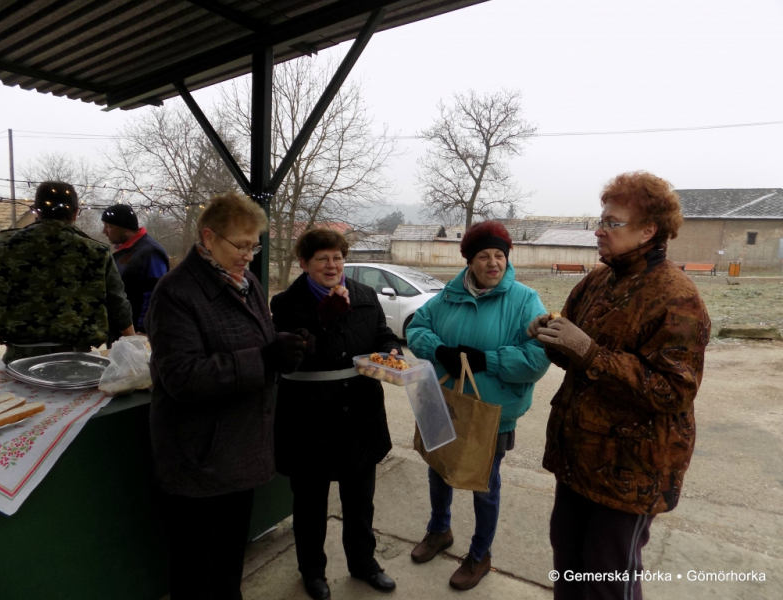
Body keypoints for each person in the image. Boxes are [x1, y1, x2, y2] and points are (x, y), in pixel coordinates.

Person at [528, 171, 710, 600]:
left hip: (631, 471)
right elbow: (575, 355)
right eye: (601, 219)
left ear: (649, 230)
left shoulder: (677, 296)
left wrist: (591, 353)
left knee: (608, 576)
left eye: (612, 223)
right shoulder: (597, 281)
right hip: (579, 457)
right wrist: (552, 336)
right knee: (568, 562)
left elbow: (673, 391)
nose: (599, 230)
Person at [144, 191, 308, 600]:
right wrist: (263, 358)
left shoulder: (246, 282)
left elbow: (258, 342)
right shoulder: (176, 293)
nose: (249, 255)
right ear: (209, 237)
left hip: (242, 448)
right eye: (241, 245)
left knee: (231, 558)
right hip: (201, 456)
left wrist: (283, 348)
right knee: (196, 566)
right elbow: (181, 376)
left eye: (255, 246)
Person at [406, 220, 551, 591]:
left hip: (491, 412)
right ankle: (440, 529)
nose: (493, 263)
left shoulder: (524, 300)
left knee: (484, 484)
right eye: (483, 256)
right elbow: (416, 329)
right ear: (469, 261)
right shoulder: (446, 296)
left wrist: (487, 361)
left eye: (499, 255)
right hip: (441, 402)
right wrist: (438, 350)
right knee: (439, 469)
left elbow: (537, 358)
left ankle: (480, 553)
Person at [271, 228, 401, 600]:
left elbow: (382, 335)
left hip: (360, 415)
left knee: (360, 502)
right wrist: (324, 316)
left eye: (338, 257)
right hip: (309, 419)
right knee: (310, 505)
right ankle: (313, 572)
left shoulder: (364, 295)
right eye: (322, 259)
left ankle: (364, 564)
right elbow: (293, 354)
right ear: (305, 263)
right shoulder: (285, 303)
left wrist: (391, 352)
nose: (332, 265)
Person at [0, 181, 134, 362]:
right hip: (76, 360)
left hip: (18, 359)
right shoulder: (96, 252)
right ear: (76, 213)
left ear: (37, 210)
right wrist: (133, 344)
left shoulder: (0, 247)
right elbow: (118, 306)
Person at [101, 203, 169, 335]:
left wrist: (143, 329)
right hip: (122, 332)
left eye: (109, 226)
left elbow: (156, 294)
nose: (104, 231)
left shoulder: (150, 252)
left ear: (125, 228)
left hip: (137, 334)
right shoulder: (124, 252)